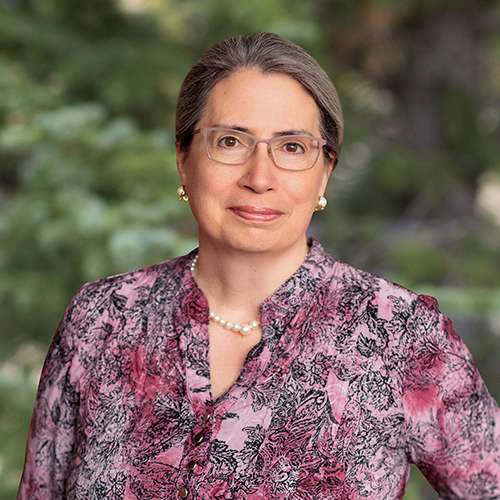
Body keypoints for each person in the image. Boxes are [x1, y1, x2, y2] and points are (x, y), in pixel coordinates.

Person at [18, 32, 500, 500]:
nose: (260, 177)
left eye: (292, 148)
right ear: (184, 160)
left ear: (324, 172)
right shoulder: (101, 319)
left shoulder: (402, 336)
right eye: (230, 142)